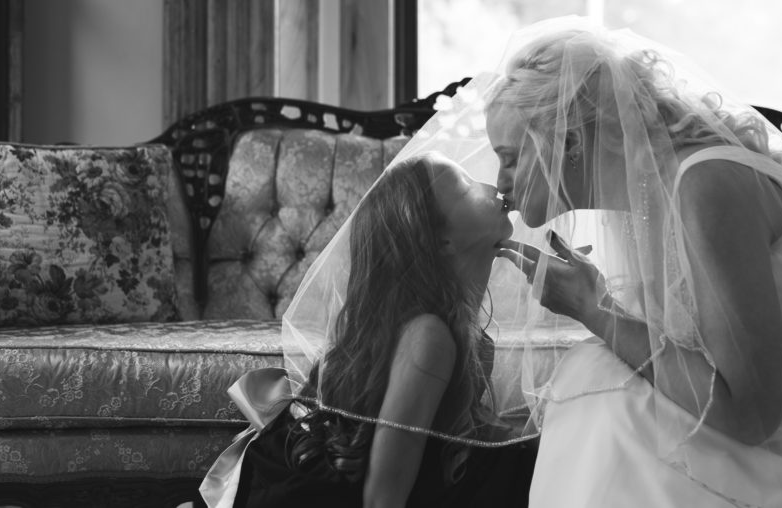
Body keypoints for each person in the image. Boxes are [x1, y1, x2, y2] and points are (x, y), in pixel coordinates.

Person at [480, 17, 782, 507]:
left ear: (571, 144)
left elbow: (751, 415)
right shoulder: (643, 191)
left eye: (510, 157)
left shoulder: (704, 187)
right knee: (599, 374)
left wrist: (594, 308)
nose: (500, 181)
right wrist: (598, 306)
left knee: (600, 378)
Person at [200, 153, 537, 508]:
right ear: (441, 241)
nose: (490, 185)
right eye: (466, 186)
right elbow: (382, 496)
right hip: (337, 496)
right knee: (519, 464)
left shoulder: (447, 324)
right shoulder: (429, 336)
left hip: (409, 479)